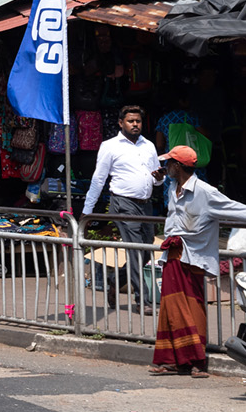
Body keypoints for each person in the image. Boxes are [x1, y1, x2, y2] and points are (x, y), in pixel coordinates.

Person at [149, 145, 246, 379]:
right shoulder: (173, 186)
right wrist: (159, 181)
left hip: (194, 257)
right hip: (174, 254)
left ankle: (195, 361)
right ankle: (171, 360)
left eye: (169, 163)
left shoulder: (205, 192)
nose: (166, 167)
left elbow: (237, 210)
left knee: (192, 308)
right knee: (171, 308)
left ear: (178, 166)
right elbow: (162, 188)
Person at [82, 106, 163, 313]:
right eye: (131, 121)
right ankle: (142, 301)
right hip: (123, 204)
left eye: (138, 121)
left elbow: (156, 181)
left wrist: (160, 179)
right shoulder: (110, 146)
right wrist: (87, 211)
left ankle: (114, 281)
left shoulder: (149, 146)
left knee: (146, 250)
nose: (135, 124)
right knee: (135, 250)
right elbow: (99, 179)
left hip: (146, 205)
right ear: (121, 123)